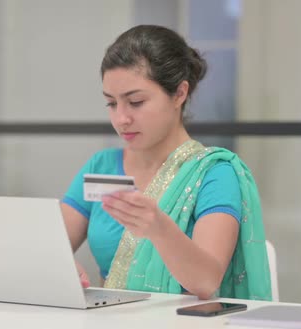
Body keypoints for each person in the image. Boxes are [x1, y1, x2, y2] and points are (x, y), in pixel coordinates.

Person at [61, 25, 272, 300]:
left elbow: (206, 281)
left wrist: (159, 228)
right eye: (111, 104)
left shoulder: (214, 174)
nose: (121, 118)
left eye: (135, 102)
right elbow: (47, 246)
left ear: (179, 94)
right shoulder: (101, 166)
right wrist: (62, 267)